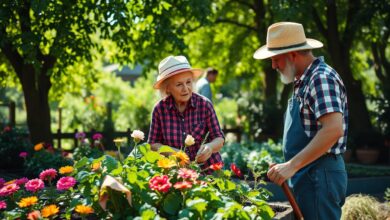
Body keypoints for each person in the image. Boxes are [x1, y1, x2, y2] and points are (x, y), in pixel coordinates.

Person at [253, 22, 348, 219]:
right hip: (310, 175)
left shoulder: (320, 78)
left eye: (276, 59)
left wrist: (291, 165)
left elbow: (333, 129)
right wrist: (291, 165)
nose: (273, 66)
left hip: (320, 176)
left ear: (292, 55)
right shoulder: (304, 80)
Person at [148, 55, 225, 171]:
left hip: (208, 171)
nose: (186, 88)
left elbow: (219, 138)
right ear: (167, 88)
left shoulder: (204, 105)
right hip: (175, 172)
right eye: (179, 84)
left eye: (188, 82)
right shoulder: (160, 110)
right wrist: (173, 152)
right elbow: (153, 144)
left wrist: (209, 147)